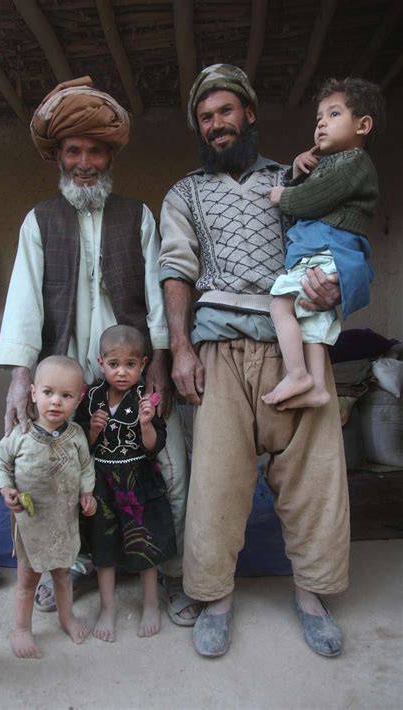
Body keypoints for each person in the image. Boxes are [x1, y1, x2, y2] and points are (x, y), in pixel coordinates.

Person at [0, 75, 198, 626]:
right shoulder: (40, 220)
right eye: (73, 151)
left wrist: (157, 361)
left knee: (170, 466)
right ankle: (71, 565)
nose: (85, 162)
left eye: (96, 151)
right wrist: (20, 378)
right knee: (57, 476)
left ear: (111, 157)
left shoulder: (138, 216)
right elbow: (24, 304)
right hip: (64, 374)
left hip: (131, 370)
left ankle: (174, 570)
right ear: (59, 157)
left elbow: (158, 292)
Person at [159, 64, 349, 658]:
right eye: (206, 116)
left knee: (315, 475)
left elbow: (326, 241)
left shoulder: (292, 180)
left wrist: (334, 285)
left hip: (294, 345)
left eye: (226, 111)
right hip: (217, 347)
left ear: (249, 115)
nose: (217, 124)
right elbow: (176, 269)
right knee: (216, 480)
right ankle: (215, 596)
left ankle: (313, 593)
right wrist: (181, 348)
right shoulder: (184, 192)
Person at [262, 77, 384, 409]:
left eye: (333, 114)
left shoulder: (354, 163)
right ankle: (316, 386)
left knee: (281, 305)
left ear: (363, 125)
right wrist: (302, 166)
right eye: (318, 118)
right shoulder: (337, 164)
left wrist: (283, 195)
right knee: (312, 320)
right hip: (327, 251)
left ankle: (296, 373)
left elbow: (315, 198)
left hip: (325, 249)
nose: (321, 124)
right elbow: (320, 183)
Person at [0, 355, 97, 659]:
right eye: (48, 392)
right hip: (31, 524)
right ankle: (21, 628)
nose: (56, 402)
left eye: (66, 395)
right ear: (33, 392)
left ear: (79, 397)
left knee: (63, 574)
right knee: (27, 579)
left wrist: (87, 493)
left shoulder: (75, 437)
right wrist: (6, 489)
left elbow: (86, 467)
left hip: (64, 521)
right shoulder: (19, 435)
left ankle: (67, 618)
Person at [76, 325, 177, 641]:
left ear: (144, 364)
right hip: (102, 483)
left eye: (130, 365)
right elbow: (81, 447)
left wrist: (146, 423)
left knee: (143, 542)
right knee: (103, 546)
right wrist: (92, 431)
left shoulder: (144, 399)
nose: (122, 372)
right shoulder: (91, 397)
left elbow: (153, 446)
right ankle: (108, 607)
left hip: (137, 481)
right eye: (114, 364)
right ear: (100, 362)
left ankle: (150, 603)